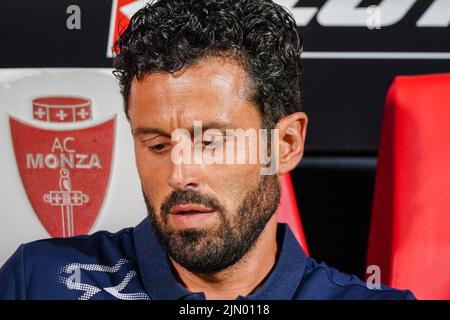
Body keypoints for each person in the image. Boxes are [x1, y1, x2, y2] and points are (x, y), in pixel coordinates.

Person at [0, 0, 415, 300]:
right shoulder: (37, 280)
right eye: (157, 143)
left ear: (285, 145)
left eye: (210, 141)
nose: (179, 174)